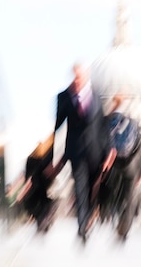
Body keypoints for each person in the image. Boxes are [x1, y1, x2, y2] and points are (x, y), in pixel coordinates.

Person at [47, 63, 115, 243]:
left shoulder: (97, 97)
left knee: (93, 189)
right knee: (80, 189)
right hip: (76, 153)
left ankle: (89, 217)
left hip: (96, 152)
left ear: (86, 77)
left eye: (80, 76)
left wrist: (109, 152)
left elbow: (103, 127)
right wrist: (54, 158)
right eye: (74, 76)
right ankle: (82, 226)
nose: (76, 80)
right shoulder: (64, 97)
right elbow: (58, 127)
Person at [99, 94, 141, 239]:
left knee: (115, 192)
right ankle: (125, 228)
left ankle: (115, 217)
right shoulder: (135, 122)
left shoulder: (108, 121)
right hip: (132, 165)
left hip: (114, 164)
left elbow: (102, 143)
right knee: (129, 196)